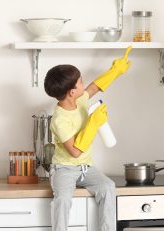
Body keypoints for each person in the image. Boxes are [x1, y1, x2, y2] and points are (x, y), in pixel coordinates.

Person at [44, 46, 132, 231]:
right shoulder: (60, 119)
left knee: (108, 187)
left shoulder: (79, 99)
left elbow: (95, 87)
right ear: (71, 92)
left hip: (87, 168)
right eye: (80, 81)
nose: (84, 83)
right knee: (63, 200)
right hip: (64, 169)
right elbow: (75, 152)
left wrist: (115, 71)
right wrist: (93, 123)